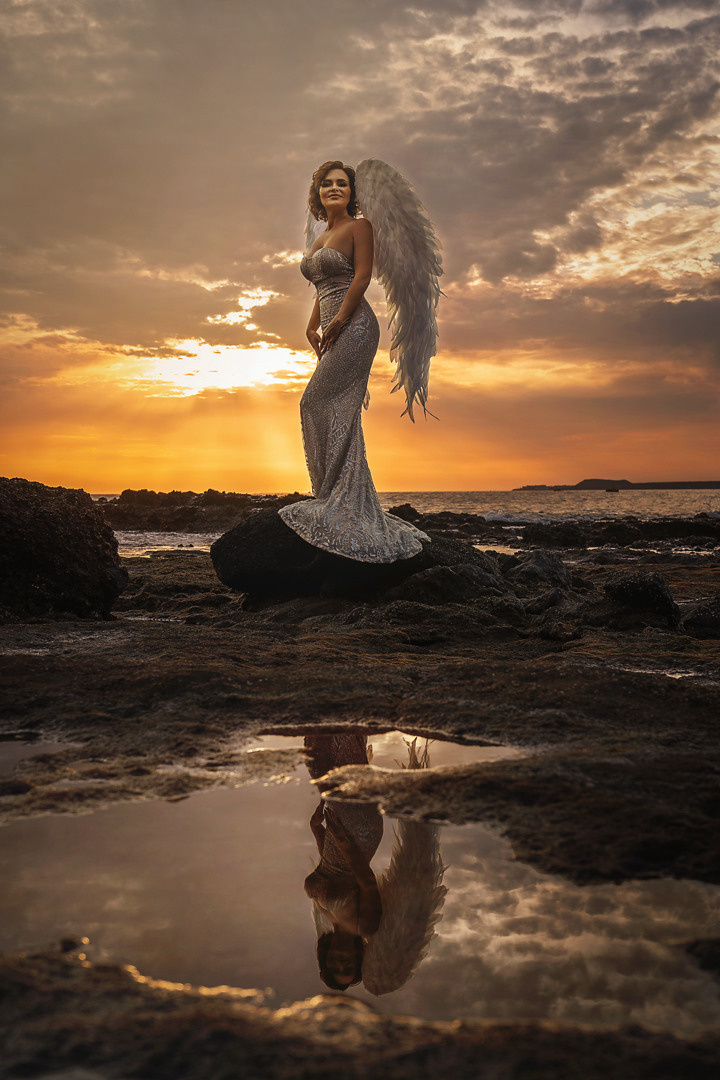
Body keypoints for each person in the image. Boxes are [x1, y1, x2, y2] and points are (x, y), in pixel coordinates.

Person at [278, 160, 433, 564]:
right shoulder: (322, 235)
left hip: (357, 326)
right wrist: (313, 327)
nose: (334, 189)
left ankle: (338, 497)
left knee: (315, 401)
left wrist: (341, 321)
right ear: (317, 192)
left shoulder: (360, 227)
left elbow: (361, 278)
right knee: (328, 405)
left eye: (342, 184)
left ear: (352, 191)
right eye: (327, 184)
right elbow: (321, 288)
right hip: (330, 326)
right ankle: (333, 494)